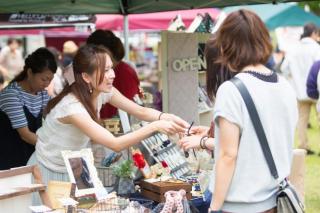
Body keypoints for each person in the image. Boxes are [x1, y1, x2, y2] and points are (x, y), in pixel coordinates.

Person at [179, 10, 298, 212]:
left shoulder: (232, 90)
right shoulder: (285, 86)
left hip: (239, 204)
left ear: (227, 45)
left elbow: (228, 155)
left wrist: (214, 207)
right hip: (274, 201)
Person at [28, 44, 188, 193]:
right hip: (49, 169)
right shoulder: (72, 107)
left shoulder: (103, 92)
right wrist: (155, 126)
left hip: (76, 165)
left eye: (111, 68)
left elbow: (141, 111)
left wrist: (168, 117)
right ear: (86, 76)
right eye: (105, 71)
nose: (112, 75)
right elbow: (115, 144)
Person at [0, 48, 57, 170]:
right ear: (30, 72)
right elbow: (25, 135)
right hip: (9, 162)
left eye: (50, 80)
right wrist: (54, 147)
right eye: (43, 79)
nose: (47, 84)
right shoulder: (11, 95)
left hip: (32, 160)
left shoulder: (42, 95)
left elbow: (53, 121)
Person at [281, 23, 320, 154]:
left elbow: (283, 68)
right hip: (316, 89)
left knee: (302, 120)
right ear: (314, 33)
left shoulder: (294, 48)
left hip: (299, 90)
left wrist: (293, 79)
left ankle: (303, 146)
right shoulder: (316, 48)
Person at [86, 30, 141, 119]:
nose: (112, 74)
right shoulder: (76, 70)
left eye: (110, 67)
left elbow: (135, 108)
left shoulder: (125, 72)